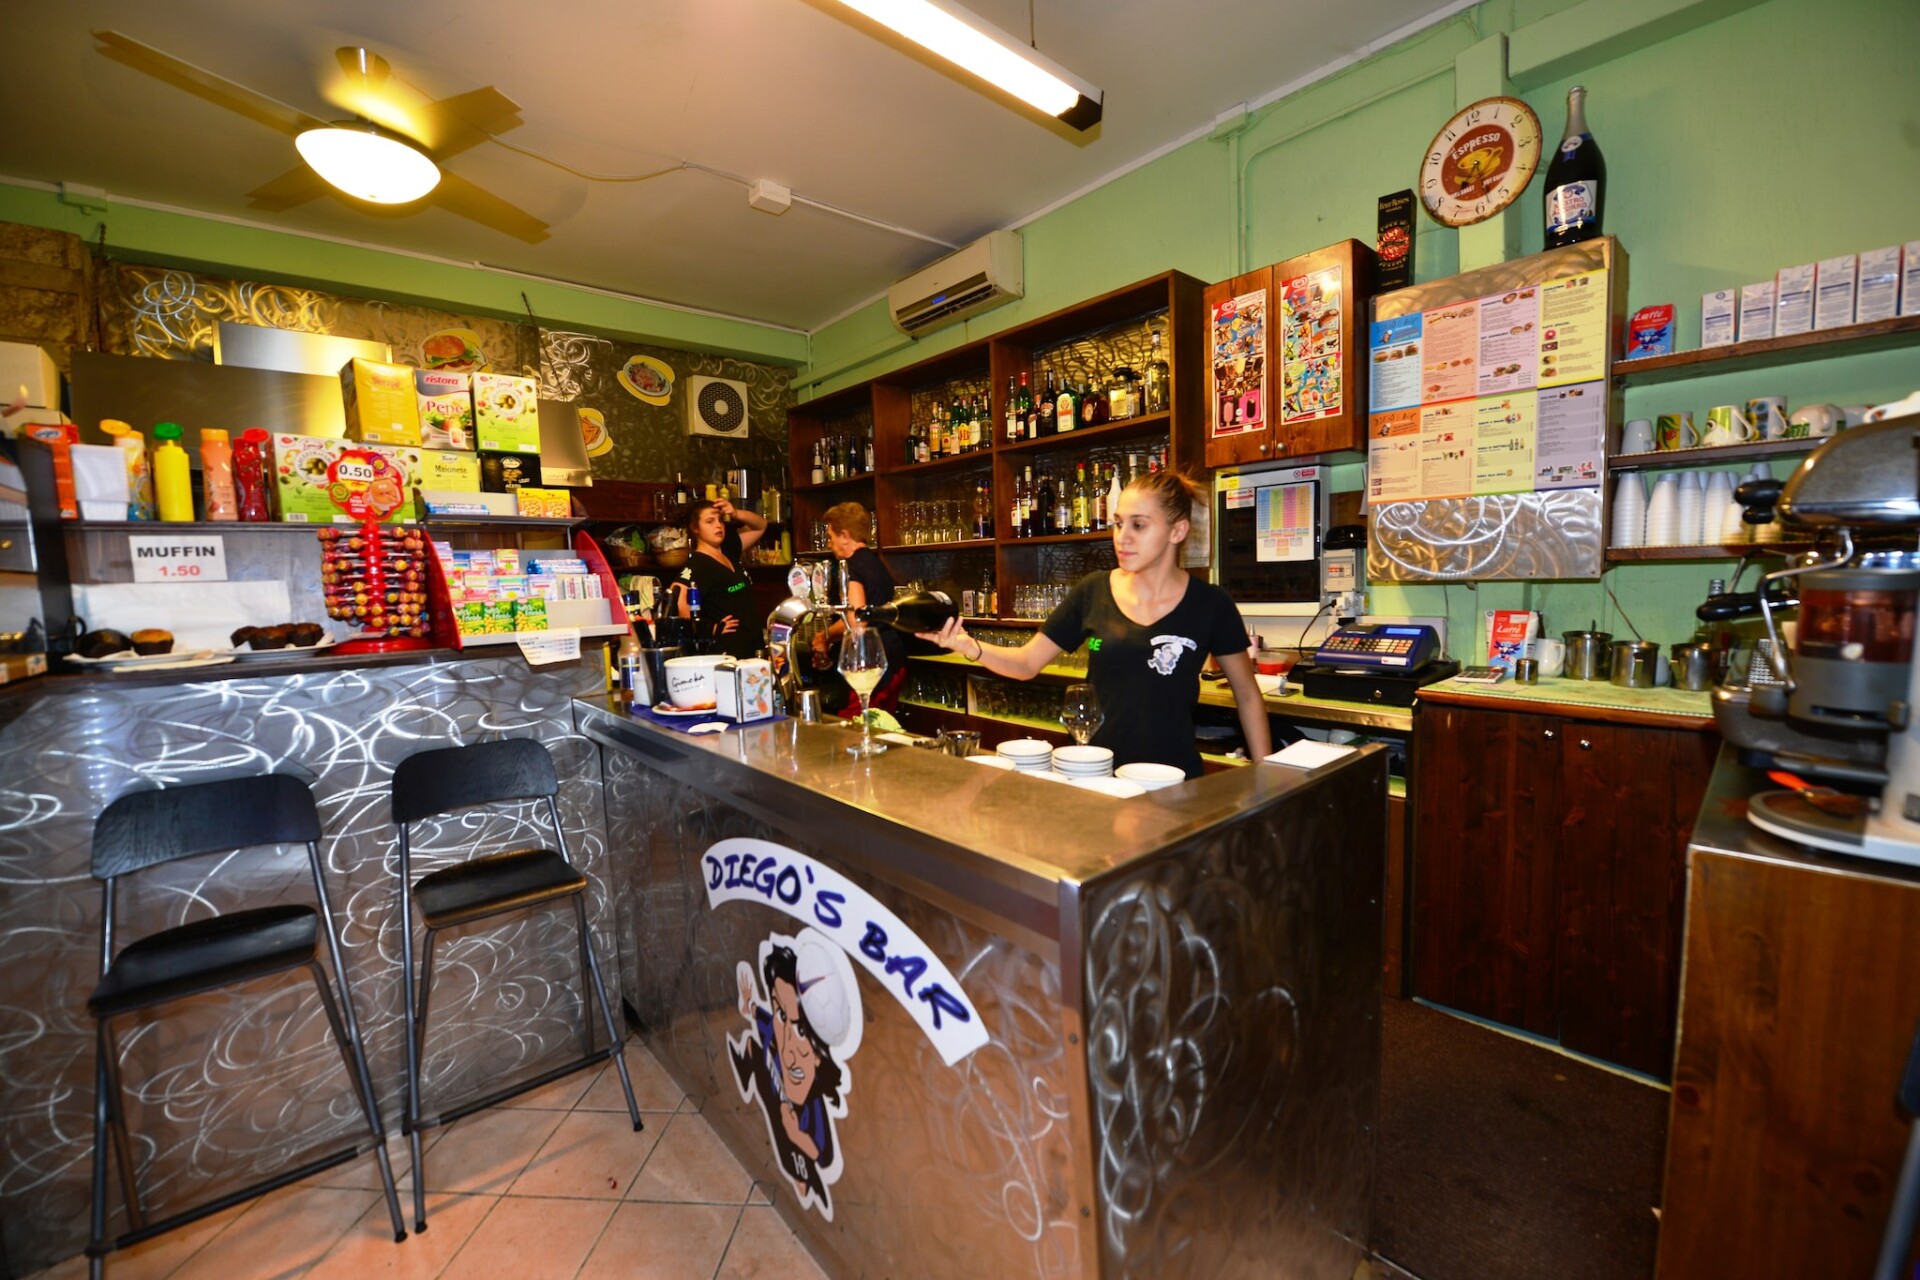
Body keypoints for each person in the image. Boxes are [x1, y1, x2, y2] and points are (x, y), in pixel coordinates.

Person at [919, 469, 1270, 777]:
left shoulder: (1210, 604)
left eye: (1138, 525)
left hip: (1172, 779)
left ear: (1177, 531)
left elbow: (1247, 696)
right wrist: (969, 646)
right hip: (1096, 773)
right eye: (1118, 523)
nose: (1122, 537)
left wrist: (1267, 776)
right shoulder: (1093, 591)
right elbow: (1026, 663)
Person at [810, 502, 908, 715]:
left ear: (845, 535)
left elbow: (857, 621)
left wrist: (824, 636)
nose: (829, 544)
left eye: (831, 537)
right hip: (893, 660)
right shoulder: (876, 564)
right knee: (881, 725)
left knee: (855, 726)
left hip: (869, 666)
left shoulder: (851, 568)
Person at [671, 496, 767, 660]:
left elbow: (761, 526)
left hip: (751, 649)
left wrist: (736, 513)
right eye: (710, 521)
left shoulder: (729, 549)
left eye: (720, 520)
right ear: (695, 528)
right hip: (727, 653)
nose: (718, 525)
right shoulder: (698, 565)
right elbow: (677, 598)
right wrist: (709, 629)